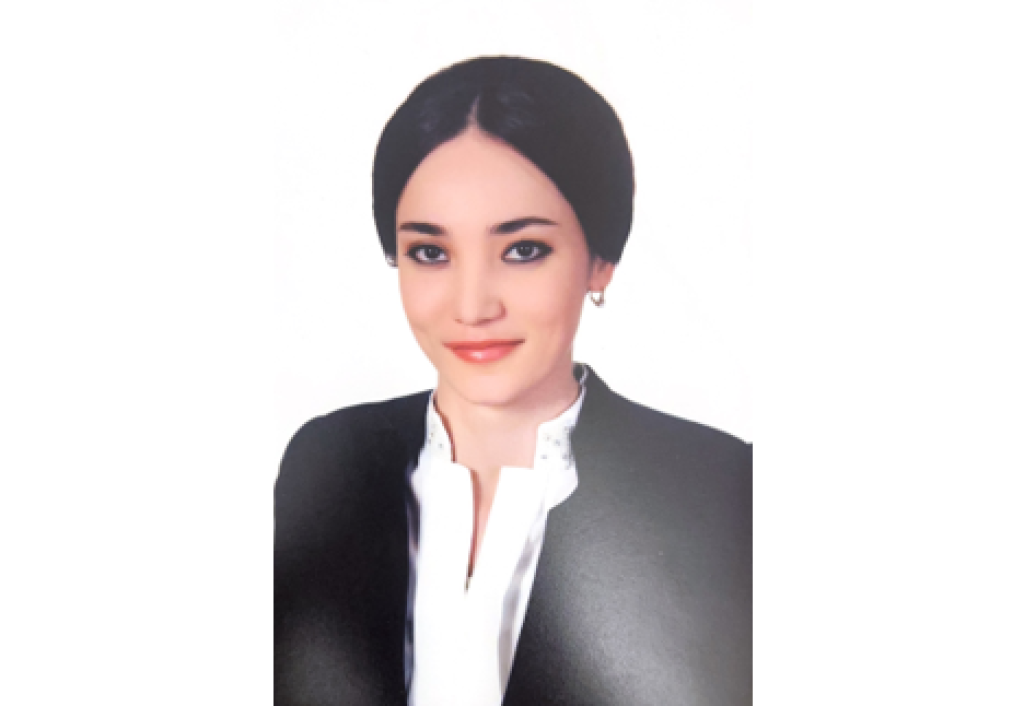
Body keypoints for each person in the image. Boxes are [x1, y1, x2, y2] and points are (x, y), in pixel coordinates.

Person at [275, 56, 751, 706]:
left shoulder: (722, 490)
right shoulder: (326, 465)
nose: (472, 306)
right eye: (430, 252)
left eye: (523, 250)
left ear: (601, 259)